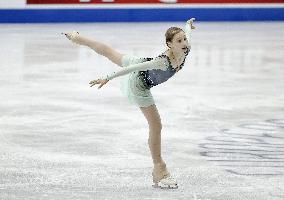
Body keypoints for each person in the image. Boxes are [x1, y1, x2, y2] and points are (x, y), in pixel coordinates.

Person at [63, 18, 195, 189]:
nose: (184, 42)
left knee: (111, 52)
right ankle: (159, 170)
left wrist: (188, 26)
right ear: (169, 45)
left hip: (139, 60)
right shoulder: (162, 61)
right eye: (179, 41)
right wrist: (108, 77)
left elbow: (188, 35)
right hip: (139, 83)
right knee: (156, 126)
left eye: (184, 39)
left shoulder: (185, 49)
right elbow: (132, 70)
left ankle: (77, 38)